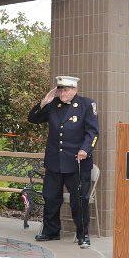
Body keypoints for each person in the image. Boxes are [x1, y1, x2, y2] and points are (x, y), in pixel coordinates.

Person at [28, 76, 98, 247]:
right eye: (60, 89)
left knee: (79, 200)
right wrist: (43, 102)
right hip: (54, 162)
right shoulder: (53, 105)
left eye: (66, 90)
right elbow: (33, 119)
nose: (62, 93)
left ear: (75, 90)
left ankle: (83, 235)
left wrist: (85, 149)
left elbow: (93, 132)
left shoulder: (87, 105)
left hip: (77, 162)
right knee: (51, 198)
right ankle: (51, 232)